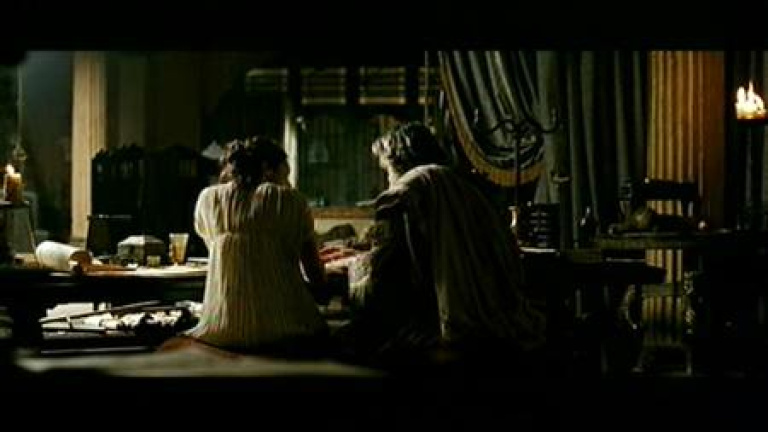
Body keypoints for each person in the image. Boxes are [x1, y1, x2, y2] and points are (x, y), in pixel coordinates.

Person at [336, 122, 546, 373]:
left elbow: (386, 278)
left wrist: (353, 267)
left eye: (387, 171)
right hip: (501, 323)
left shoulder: (406, 190)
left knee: (344, 341)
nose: (388, 180)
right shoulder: (469, 189)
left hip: (442, 328)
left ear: (397, 162)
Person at [162, 136, 328, 358]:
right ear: (268, 170)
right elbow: (315, 275)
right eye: (285, 175)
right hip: (288, 328)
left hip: (221, 330)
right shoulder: (291, 200)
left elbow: (222, 255)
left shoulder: (208, 199)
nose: (287, 183)